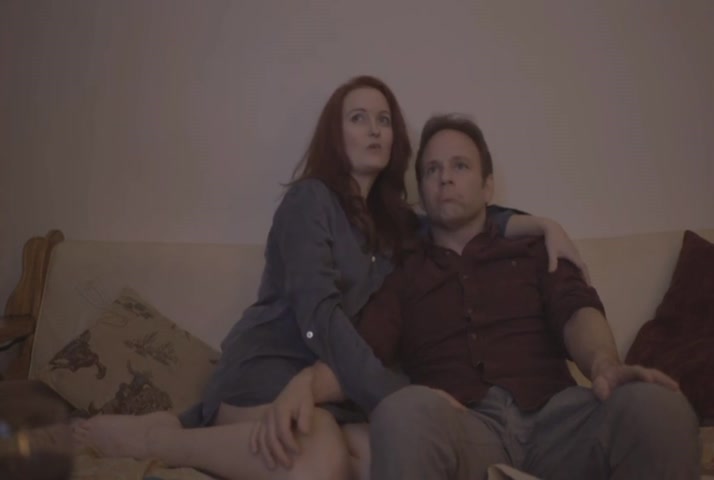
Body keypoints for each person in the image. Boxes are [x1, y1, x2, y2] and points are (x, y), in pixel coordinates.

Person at [75, 76, 588, 480]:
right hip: (270, 369)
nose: (374, 129)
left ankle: (189, 426)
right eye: (358, 118)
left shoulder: (397, 225)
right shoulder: (309, 202)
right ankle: (163, 442)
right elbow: (317, 317)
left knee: (377, 456)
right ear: (335, 135)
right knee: (319, 457)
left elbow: (458, 214)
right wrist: (396, 393)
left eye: (383, 120)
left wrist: (540, 224)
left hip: (334, 388)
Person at [278, 113, 701, 480]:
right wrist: (306, 384)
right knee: (401, 412)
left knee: (659, 409)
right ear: (421, 194)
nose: (445, 177)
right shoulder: (402, 274)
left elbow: (576, 311)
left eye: (460, 166)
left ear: (487, 186)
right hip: (465, 428)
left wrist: (604, 363)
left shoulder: (535, 248)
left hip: (559, 419)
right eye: (432, 170)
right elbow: (359, 353)